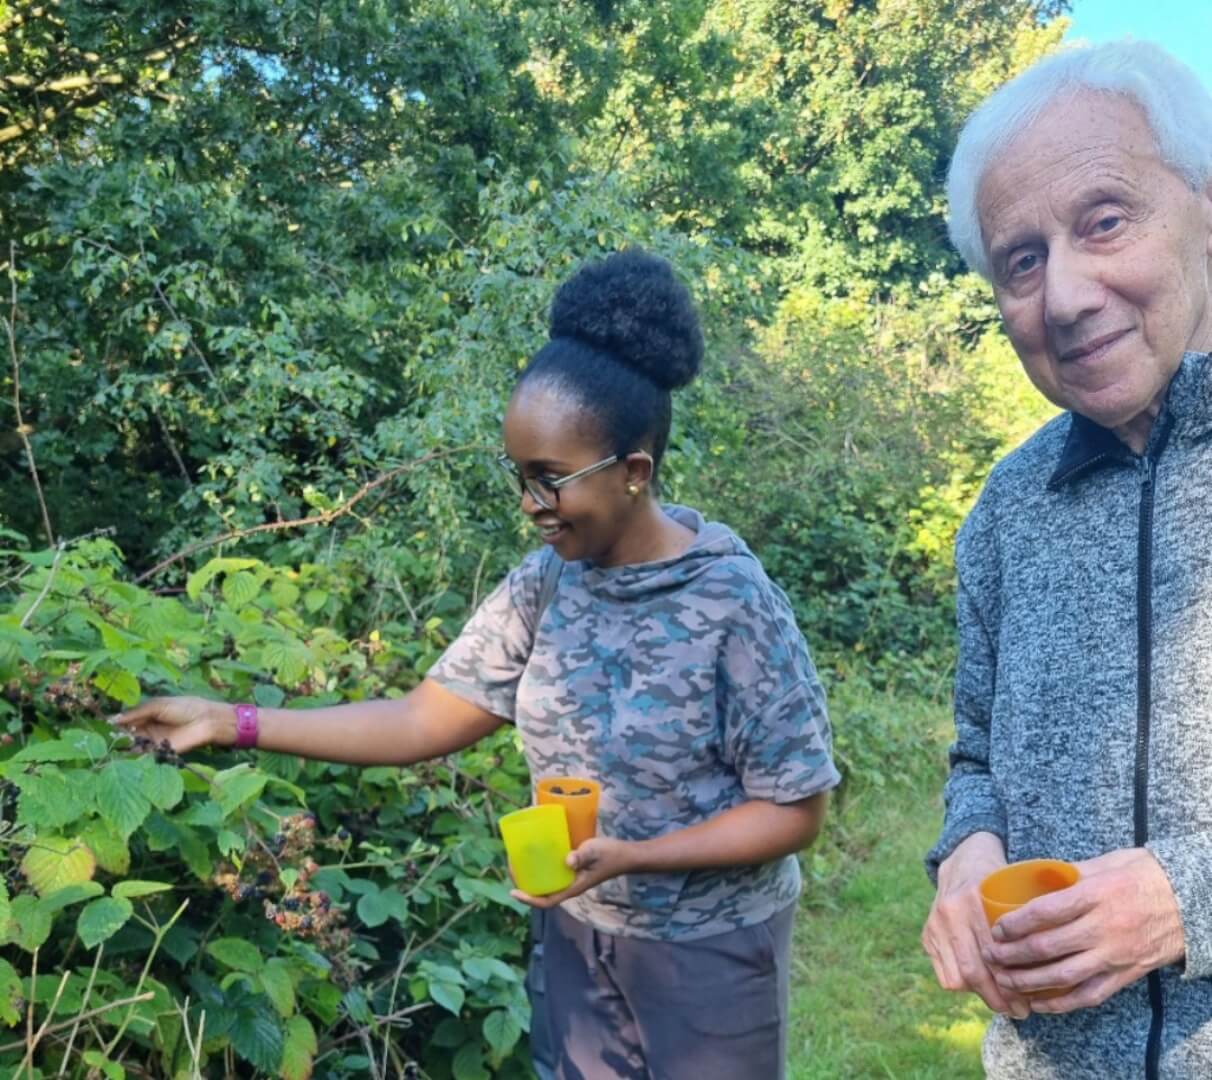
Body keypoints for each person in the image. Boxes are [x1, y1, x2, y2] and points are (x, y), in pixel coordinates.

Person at [117, 248, 840, 1079]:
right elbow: (423, 718)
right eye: (518, 478)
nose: (531, 508)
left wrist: (637, 856)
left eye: (549, 481)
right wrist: (230, 721)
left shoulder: (731, 601)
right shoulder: (547, 582)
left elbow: (795, 812)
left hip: (712, 957)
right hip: (574, 938)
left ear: (634, 472)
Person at [920, 40, 1212, 1079]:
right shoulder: (1006, 508)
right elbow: (976, 760)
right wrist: (965, 859)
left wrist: (1188, 899)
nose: (1067, 295)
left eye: (1103, 220)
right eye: (1021, 260)